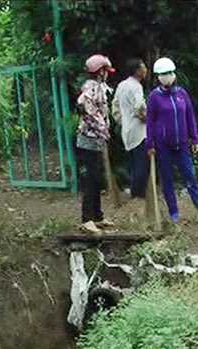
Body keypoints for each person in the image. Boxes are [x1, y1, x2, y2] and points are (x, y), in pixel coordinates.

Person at [146, 57, 198, 222]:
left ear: (174, 74)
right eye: (162, 74)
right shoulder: (155, 97)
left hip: (182, 144)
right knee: (167, 180)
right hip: (163, 146)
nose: (166, 76)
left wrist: (195, 138)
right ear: (158, 77)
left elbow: (190, 116)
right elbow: (150, 122)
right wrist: (150, 143)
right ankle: (174, 213)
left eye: (169, 73)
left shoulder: (182, 94)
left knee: (190, 177)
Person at [75, 54, 116, 234]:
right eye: (106, 71)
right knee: (90, 180)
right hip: (88, 140)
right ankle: (87, 219)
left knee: (97, 179)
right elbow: (85, 109)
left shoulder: (99, 87)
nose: (108, 74)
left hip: (98, 140)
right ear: (100, 71)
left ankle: (98, 216)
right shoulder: (89, 89)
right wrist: (102, 129)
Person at [112, 58, 148, 198]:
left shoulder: (122, 85)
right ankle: (138, 192)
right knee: (141, 162)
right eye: (143, 67)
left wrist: (123, 121)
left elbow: (115, 106)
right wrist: (147, 119)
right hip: (139, 130)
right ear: (137, 71)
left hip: (127, 130)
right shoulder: (136, 87)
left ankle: (133, 188)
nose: (145, 69)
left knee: (133, 161)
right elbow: (140, 107)